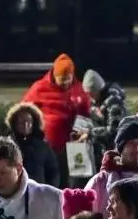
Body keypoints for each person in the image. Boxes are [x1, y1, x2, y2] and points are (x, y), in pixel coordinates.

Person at [21, 53, 93, 184]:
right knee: (53, 182)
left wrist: (82, 133)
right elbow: (24, 110)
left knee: (79, 184)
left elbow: (86, 113)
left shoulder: (79, 89)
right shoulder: (39, 88)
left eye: (68, 78)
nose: (65, 82)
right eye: (62, 79)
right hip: (50, 145)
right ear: (54, 76)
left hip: (76, 145)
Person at [5, 101, 60, 188]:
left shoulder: (43, 146)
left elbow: (53, 171)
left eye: (29, 122)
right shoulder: (6, 146)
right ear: (14, 123)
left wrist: (49, 191)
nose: (26, 125)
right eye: (21, 122)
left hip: (39, 194)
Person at [82, 68, 128, 162]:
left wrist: (90, 133)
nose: (89, 97)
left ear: (97, 90)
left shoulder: (114, 103)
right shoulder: (97, 101)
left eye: (90, 93)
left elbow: (113, 130)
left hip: (117, 152)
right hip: (103, 150)